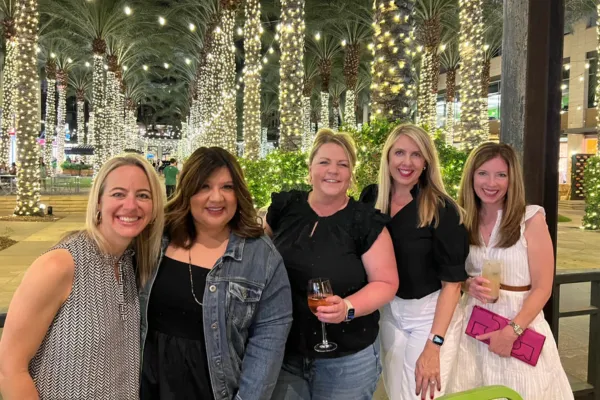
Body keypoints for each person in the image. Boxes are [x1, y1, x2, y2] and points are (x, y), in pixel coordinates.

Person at [0, 154, 165, 399]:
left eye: (143, 195)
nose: (131, 205)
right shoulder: (60, 265)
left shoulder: (130, 265)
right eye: (118, 194)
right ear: (98, 202)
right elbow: (10, 368)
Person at [140, 147, 292, 400]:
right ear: (188, 191)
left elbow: (268, 342)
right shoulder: (155, 240)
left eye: (227, 187)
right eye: (204, 187)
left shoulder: (261, 256)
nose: (216, 197)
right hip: (146, 386)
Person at [267, 128, 399, 400]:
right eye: (324, 162)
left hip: (347, 362)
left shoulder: (364, 221)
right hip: (285, 354)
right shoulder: (286, 208)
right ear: (310, 169)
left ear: (351, 175)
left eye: (343, 164)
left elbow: (386, 283)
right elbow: (253, 249)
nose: (333, 171)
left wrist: (347, 308)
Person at [447, 142, 573, 399]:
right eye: (483, 173)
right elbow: (455, 272)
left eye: (501, 175)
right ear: (471, 176)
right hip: (473, 325)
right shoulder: (462, 219)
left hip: (520, 323)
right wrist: (467, 284)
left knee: (523, 390)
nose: (491, 183)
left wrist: (512, 332)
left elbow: (543, 288)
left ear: (512, 179)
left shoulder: (530, 219)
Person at [359, 124, 468, 400]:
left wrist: (434, 344)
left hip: (430, 317)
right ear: (387, 157)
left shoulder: (442, 209)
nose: (406, 162)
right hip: (389, 312)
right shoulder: (371, 198)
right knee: (397, 393)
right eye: (399, 153)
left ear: (426, 161)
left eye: (416, 154)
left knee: (421, 394)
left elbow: (453, 286)